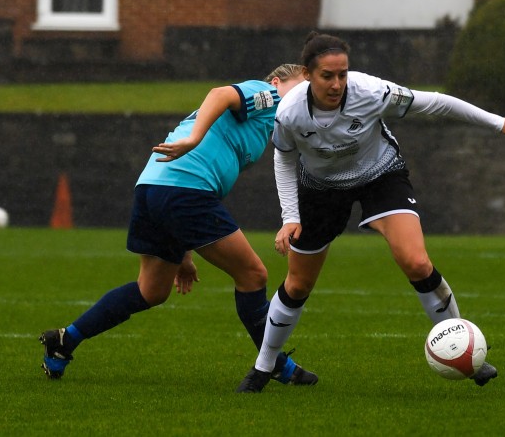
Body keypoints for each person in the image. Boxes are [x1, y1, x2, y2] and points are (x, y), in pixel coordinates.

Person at [235, 32, 505, 392]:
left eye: (342, 74)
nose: (337, 84)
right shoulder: (289, 112)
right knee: (298, 283)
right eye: (327, 76)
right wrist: (291, 217)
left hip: (380, 175)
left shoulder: (371, 92)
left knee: (416, 262)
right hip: (319, 188)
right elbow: (284, 157)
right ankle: (263, 366)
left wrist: (498, 122)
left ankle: (467, 353)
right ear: (307, 74)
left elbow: (435, 103)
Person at [39, 64, 318, 386]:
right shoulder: (267, 94)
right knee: (253, 275)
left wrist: (183, 249)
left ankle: (65, 341)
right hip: (183, 189)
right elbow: (221, 93)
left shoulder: (271, 126)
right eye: (300, 87)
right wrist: (195, 138)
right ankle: (277, 365)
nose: (303, 96)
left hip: (155, 188)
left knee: (151, 290)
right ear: (276, 82)